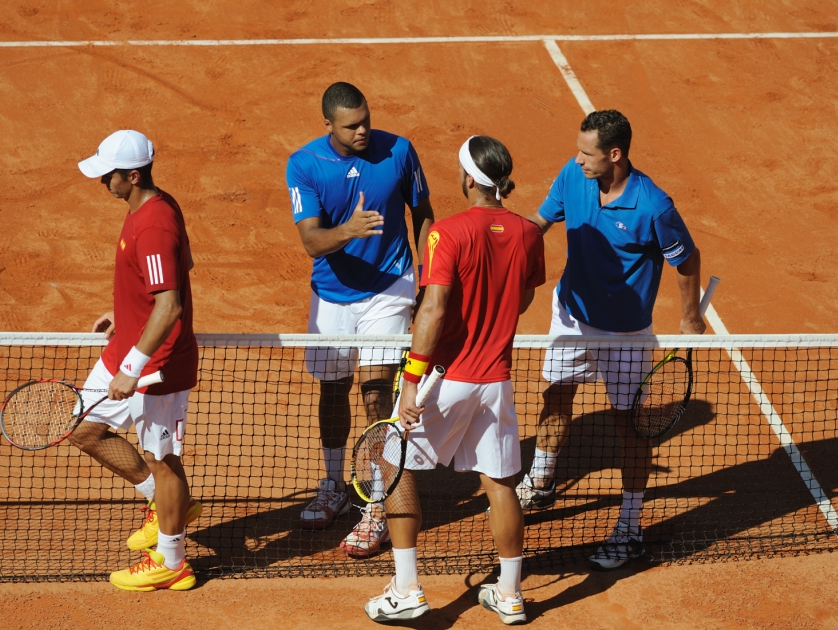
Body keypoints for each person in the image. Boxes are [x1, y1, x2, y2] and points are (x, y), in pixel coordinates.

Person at [364, 136, 545, 625]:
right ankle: (509, 594)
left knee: (392, 465)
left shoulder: (447, 232)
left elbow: (435, 307)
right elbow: (524, 296)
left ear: (468, 178)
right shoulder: (530, 232)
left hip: (446, 376)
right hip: (496, 380)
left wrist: (409, 379)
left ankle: (406, 589)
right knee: (500, 483)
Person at [517, 109, 706, 571]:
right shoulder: (572, 174)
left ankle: (629, 524)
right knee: (556, 396)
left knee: (630, 425)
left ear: (615, 155)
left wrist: (690, 318)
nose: (578, 159)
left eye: (588, 153)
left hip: (625, 333)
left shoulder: (653, 206)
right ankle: (540, 480)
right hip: (571, 315)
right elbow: (538, 224)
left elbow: (687, 259)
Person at [286, 82, 435, 556]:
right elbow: (312, 242)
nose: (363, 130)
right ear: (327, 124)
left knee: (375, 392)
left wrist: (426, 280)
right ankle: (332, 482)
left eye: (366, 120)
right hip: (332, 295)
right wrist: (348, 230)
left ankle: (378, 498)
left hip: (390, 287)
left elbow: (423, 212)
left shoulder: (400, 151)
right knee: (333, 388)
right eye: (351, 125)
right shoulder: (305, 165)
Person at [69, 130, 201, 591]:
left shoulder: (154, 224)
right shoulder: (149, 207)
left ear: (133, 174)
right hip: (128, 342)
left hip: (155, 366)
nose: (102, 180)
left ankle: (172, 561)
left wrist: (133, 367)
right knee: (84, 428)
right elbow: (173, 275)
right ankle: (161, 503)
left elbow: (170, 306)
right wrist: (126, 308)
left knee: (163, 459)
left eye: (108, 174)